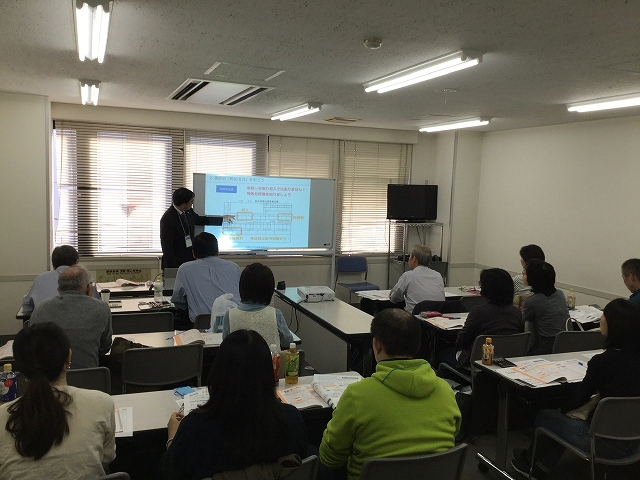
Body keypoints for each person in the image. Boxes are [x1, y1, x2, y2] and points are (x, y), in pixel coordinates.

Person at [319, 309, 461, 480]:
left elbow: (330, 459)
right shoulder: (446, 391)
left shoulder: (356, 395)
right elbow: (453, 436)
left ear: (376, 344)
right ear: (418, 345)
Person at [511, 299, 640, 480]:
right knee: (563, 419)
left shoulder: (603, 362)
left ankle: (530, 465)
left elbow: (578, 399)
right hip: (635, 442)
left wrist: (559, 407)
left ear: (615, 325)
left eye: (604, 316)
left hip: (600, 442)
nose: (600, 319)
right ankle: (542, 466)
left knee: (546, 416)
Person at [162, 329, 308, 479]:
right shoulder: (292, 420)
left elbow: (172, 473)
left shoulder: (194, 428)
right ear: (269, 374)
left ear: (218, 372)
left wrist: (172, 438)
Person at [0, 322, 116, 479]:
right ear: (69, 356)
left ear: (20, 368)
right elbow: (106, 457)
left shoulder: (2, 416)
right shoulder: (102, 403)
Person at [28, 265, 112, 369]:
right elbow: (105, 347)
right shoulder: (102, 308)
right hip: (89, 375)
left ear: (59, 290)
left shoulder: (40, 308)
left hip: (49, 376)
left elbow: (32, 346)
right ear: (89, 289)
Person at [443, 268, 524, 368]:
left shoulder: (478, 312)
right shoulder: (517, 313)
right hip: (506, 363)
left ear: (486, 288)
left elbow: (461, 341)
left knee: (442, 353)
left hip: (475, 363)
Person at [171, 232, 241, 326]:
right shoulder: (234, 267)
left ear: (193, 253)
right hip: (234, 324)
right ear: (217, 251)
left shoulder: (184, 269)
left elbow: (178, 302)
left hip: (201, 327)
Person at [222, 262, 294, 349]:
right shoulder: (275, 314)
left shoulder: (229, 315)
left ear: (242, 287)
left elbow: (225, 344)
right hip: (269, 358)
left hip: (237, 358)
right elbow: (287, 342)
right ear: (269, 289)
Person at [160, 187, 234, 269]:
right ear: (183, 205)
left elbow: (200, 220)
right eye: (191, 201)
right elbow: (167, 247)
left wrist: (222, 219)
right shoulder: (168, 219)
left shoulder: (188, 211)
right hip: (176, 262)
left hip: (189, 259)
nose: (192, 203)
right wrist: (173, 268)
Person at [522, 260, 567, 355]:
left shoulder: (531, 301)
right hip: (565, 343)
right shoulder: (560, 294)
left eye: (525, 272)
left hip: (546, 346)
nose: (523, 274)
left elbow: (521, 322)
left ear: (533, 279)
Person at [21, 245, 79, 316]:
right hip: (77, 321)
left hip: (43, 322)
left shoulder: (40, 278)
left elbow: (26, 306)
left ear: (53, 265)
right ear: (76, 262)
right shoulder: (84, 278)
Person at [389, 244, 445, 314]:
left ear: (414, 259)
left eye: (410, 256)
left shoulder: (408, 275)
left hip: (415, 317)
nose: (408, 259)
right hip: (436, 316)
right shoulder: (438, 275)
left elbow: (394, 298)